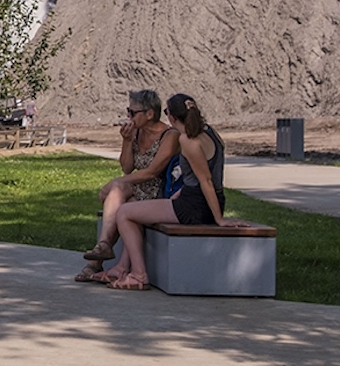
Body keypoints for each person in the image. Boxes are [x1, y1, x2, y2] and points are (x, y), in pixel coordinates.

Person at [96, 93, 227, 291]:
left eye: (166, 113)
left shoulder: (187, 141)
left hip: (194, 207)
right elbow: (205, 177)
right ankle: (122, 268)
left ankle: (139, 275)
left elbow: (206, 181)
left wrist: (220, 220)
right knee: (132, 210)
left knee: (124, 213)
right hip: (196, 201)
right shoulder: (211, 134)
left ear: (172, 117)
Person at [75, 89, 179, 281]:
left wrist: (116, 182)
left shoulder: (169, 135)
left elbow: (153, 172)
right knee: (120, 193)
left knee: (122, 197)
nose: (128, 116)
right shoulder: (137, 132)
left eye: (132, 112)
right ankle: (104, 245)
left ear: (149, 114)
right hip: (139, 187)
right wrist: (127, 141)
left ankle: (97, 263)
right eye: (128, 111)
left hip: (160, 191)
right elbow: (127, 168)